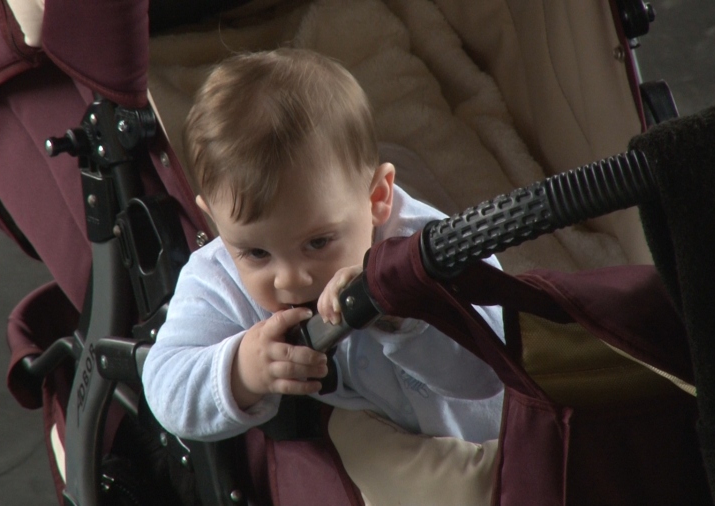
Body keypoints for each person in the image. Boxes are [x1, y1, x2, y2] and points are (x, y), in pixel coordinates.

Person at [142, 47, 504, 451]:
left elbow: (495, 367)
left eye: (317, 242)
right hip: (390, 456)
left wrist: (403, 309)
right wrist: (242, 370)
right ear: (216, 223)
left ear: (377, 198)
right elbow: (164, 386)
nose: (290, 279)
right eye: (257, 254)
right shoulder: (220, 278)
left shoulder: (425, 245)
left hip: (497, 442)